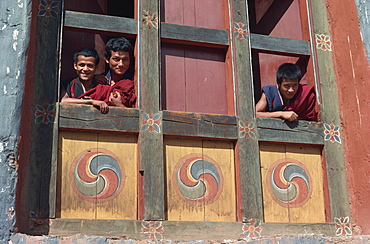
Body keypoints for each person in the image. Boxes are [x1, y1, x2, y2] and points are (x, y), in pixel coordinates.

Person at [78, 37, 136, 108]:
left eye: (125, 60)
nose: (121, 64)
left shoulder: (133, 84)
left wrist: (119, 105)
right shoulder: (98, 81)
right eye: (116, 59)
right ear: (107, 59)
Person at [61, 47, 109, 113]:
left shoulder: (102, 88)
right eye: (82, 65)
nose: (85, 69)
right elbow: (63, 101)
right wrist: (91, 102)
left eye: (90, 66)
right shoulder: (68, 85)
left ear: (96, 67)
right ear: (75, 65)